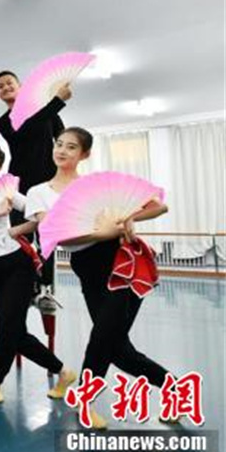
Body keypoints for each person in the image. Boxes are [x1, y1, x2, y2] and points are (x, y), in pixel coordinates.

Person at [26, 127, 172, 429]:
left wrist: (130, 217)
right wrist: (106, 231)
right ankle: (175, 390)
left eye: (71, 147)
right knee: (118, 349)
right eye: (59, 144)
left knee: (104, 338)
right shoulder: (38, 192)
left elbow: (160, 204)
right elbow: (56, 235)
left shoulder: (96, 186)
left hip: (121, 262)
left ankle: (85, 400)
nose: (62, 151)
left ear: (85, 154)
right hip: (87, 266)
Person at [0, 144, 77, 403]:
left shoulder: (8, 193)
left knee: (7, 328)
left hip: (16, 265)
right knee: (15, 332)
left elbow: (41, 217)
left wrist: (17, 229)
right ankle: (63, 371)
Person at [0, 70, 72, 313]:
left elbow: (61, 138)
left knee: (47, 238)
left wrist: (67, 173)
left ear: (21, 86)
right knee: (21, 239)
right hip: (20, 185)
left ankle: (46, 289)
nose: (6, 87)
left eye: (10, 83)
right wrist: (57, 102)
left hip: (48, 183)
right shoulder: (3, 122)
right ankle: (24, 287)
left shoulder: (46, 112)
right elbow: (26, 129)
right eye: (1, 86)